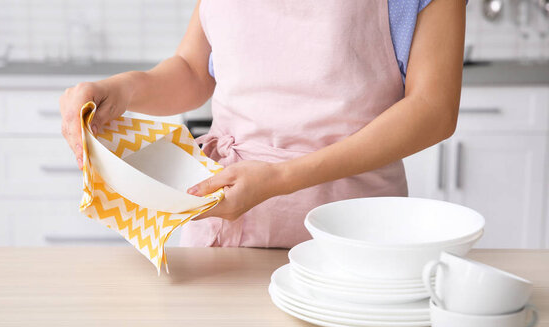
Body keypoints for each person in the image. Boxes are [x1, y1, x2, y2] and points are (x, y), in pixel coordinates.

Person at [60, 0, 466, 248]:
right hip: (224, 226)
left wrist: (282, 178)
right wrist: (121, 89)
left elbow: (433, 108)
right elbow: (192, 70)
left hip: (353, 229)